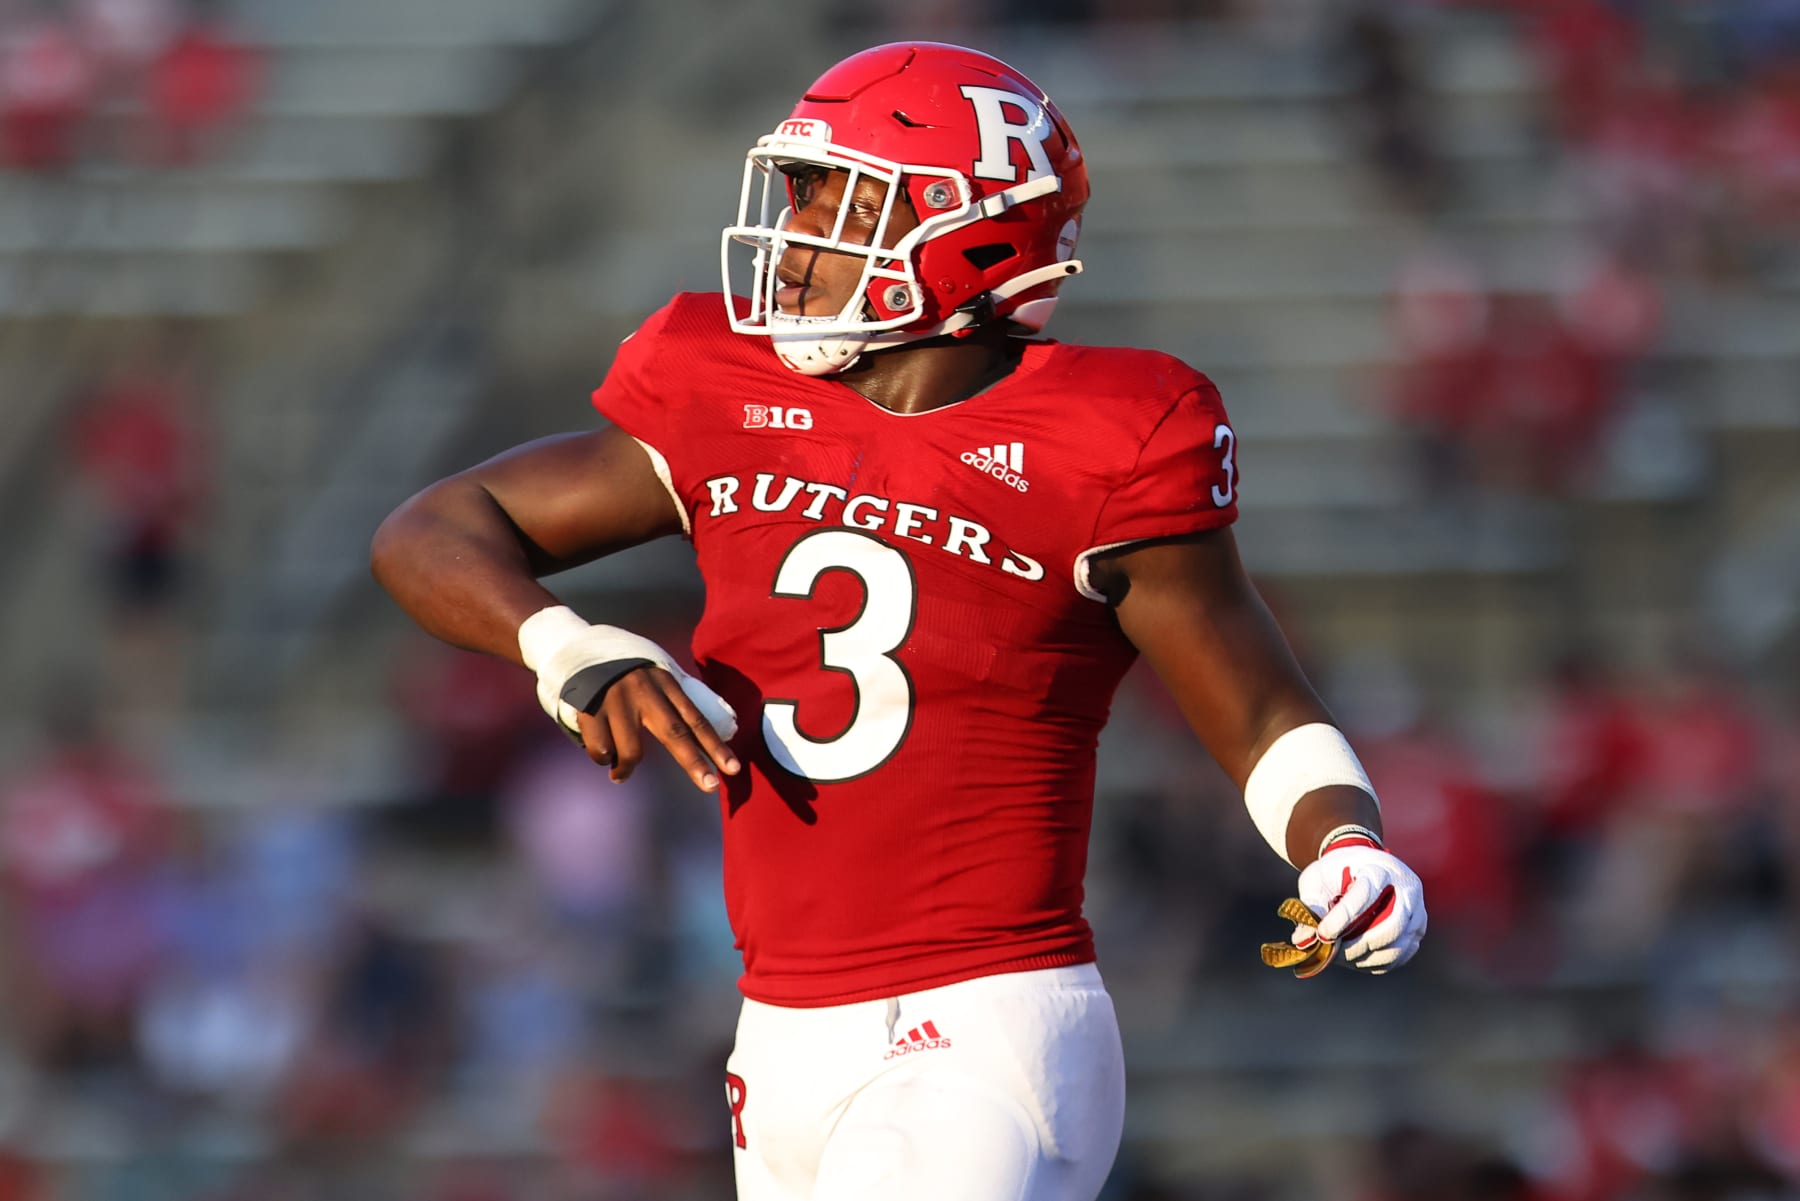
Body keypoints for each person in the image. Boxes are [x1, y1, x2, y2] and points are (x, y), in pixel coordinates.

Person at [371, 41, 1428, 1201]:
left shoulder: (1107, 434)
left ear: (961, 228)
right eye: (798, 192)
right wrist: (561, 643)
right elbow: (430, 529)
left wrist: (1344, 838)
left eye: (835, 196)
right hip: (776, 1037)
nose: (795, 230)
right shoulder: (726, 391)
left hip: (980, 1021)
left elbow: (1261, 701)